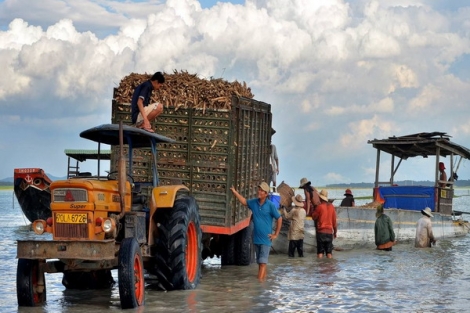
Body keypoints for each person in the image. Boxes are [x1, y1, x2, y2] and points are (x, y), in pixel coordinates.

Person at [230, 182, 282, 281]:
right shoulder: (254, 203)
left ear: (266, 194)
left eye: (262, 190)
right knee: (260, 263)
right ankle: (263, 285)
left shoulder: (270, 205)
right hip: (257, 238)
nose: (259, 191)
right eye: (259, 189)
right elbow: (244, 202)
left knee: (262, 263)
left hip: (266, 239)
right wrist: (235, 192)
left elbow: (279, 218)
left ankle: (259, 285)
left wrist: (276, 234)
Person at [312, 189, 337, 258]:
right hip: (329, 232)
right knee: (329, 253)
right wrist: (335, 233)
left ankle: (320, 266)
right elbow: (334, 222)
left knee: (320, 252)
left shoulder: (319, 207)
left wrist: (315, 209)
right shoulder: (332, 207)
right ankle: (330, 266)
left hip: (321, 232)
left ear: (320, 198)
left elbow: (314, 217)